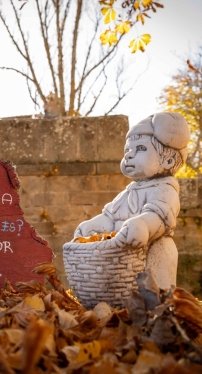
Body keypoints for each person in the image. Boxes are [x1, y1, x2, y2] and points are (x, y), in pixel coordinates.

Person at [74, 112, 190, 289]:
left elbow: (158, 216)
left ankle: (158, 302)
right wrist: (92, 226)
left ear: (168, 160)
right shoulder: (128, 192)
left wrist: (144, 225)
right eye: (128, 150)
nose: (129, 155)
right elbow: (110, 217)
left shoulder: (165, 189)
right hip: (124, 258)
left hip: (151, 251)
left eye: (141, 149)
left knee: (161, 252)